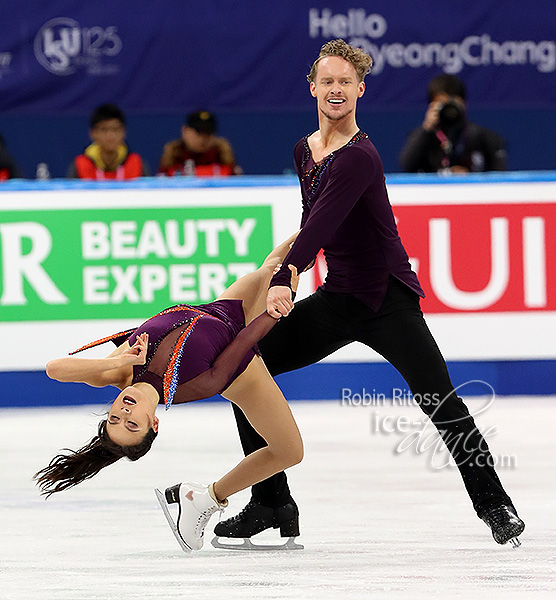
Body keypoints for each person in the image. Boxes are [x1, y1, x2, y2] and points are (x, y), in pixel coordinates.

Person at [216, 39, 525, 549]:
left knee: (439, 400)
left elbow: (323, 224)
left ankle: (494, 504)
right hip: (339, 299)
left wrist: (284, 277)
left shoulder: (360, 157)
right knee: (243, 369)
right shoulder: (304, 150)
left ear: (360, 90)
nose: (336, 90)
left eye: (346, 82)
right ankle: (271, 501)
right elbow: (313, 225)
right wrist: (284, 264)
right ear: (313, 87)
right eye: (327, 81)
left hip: (387, 300)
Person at [34, 234, 303, 552]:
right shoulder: (200, 383)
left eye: (115, 418)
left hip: (218, 310)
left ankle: (321, 214)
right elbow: (243, 342)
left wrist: (122, 358)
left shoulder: (116, 371)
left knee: (276, 264)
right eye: (132, 424)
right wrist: (272, 314)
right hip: (240, 367)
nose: (125, 412)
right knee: (290, 452)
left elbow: (54, 369)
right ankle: (208, 496)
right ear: (154, 424)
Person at [399, 74, 507, 173]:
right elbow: (407, 166)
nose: (448, 109)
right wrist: (426, 128)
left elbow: (500, 176)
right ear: (431, 106)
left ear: (463, 104)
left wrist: (470, 177)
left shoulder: (485, 138)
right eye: (442, 103)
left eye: (453, 103)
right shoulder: (424, 137)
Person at [67, 103, 148, 180]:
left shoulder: (137, 164)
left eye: (115, 129)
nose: (110, 135)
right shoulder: (80, 165)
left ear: (124, 132)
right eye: (104, 130)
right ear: (92, 133)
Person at [158, 110, 241, 177]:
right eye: (199, 131)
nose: (203, 138)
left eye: (208, 132)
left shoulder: (224, 159)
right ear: (185, 131)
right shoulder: (172, 159)